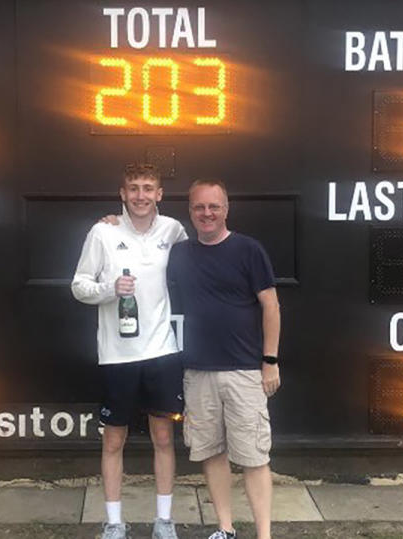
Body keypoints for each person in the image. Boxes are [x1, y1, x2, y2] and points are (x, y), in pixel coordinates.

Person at [72, 164, 188, 539]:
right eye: (133, 189)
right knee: (113, 441)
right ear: (122, 194)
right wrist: (109, 289)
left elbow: (201, 262)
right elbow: (78, 285)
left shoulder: (174, 231)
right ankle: (114, 524)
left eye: (148, 188)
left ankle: (164, 522)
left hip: (162, 351)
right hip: (117, 356)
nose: (140, 195)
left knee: (164, 438)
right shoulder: (102, 231)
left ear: (159, 194)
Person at [166, 179, 281, 539]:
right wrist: (113, 221)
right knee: (211, 453)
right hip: (197, 372)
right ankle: (225, 529)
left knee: (254, 457)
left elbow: (271, 306)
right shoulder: (180, 253)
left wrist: (270, 360)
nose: (207, 213)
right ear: (190, 212)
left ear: (226, 209)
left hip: (245, 371)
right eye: (199, 207)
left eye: (214, 206)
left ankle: (263, 534)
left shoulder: (249, 249)